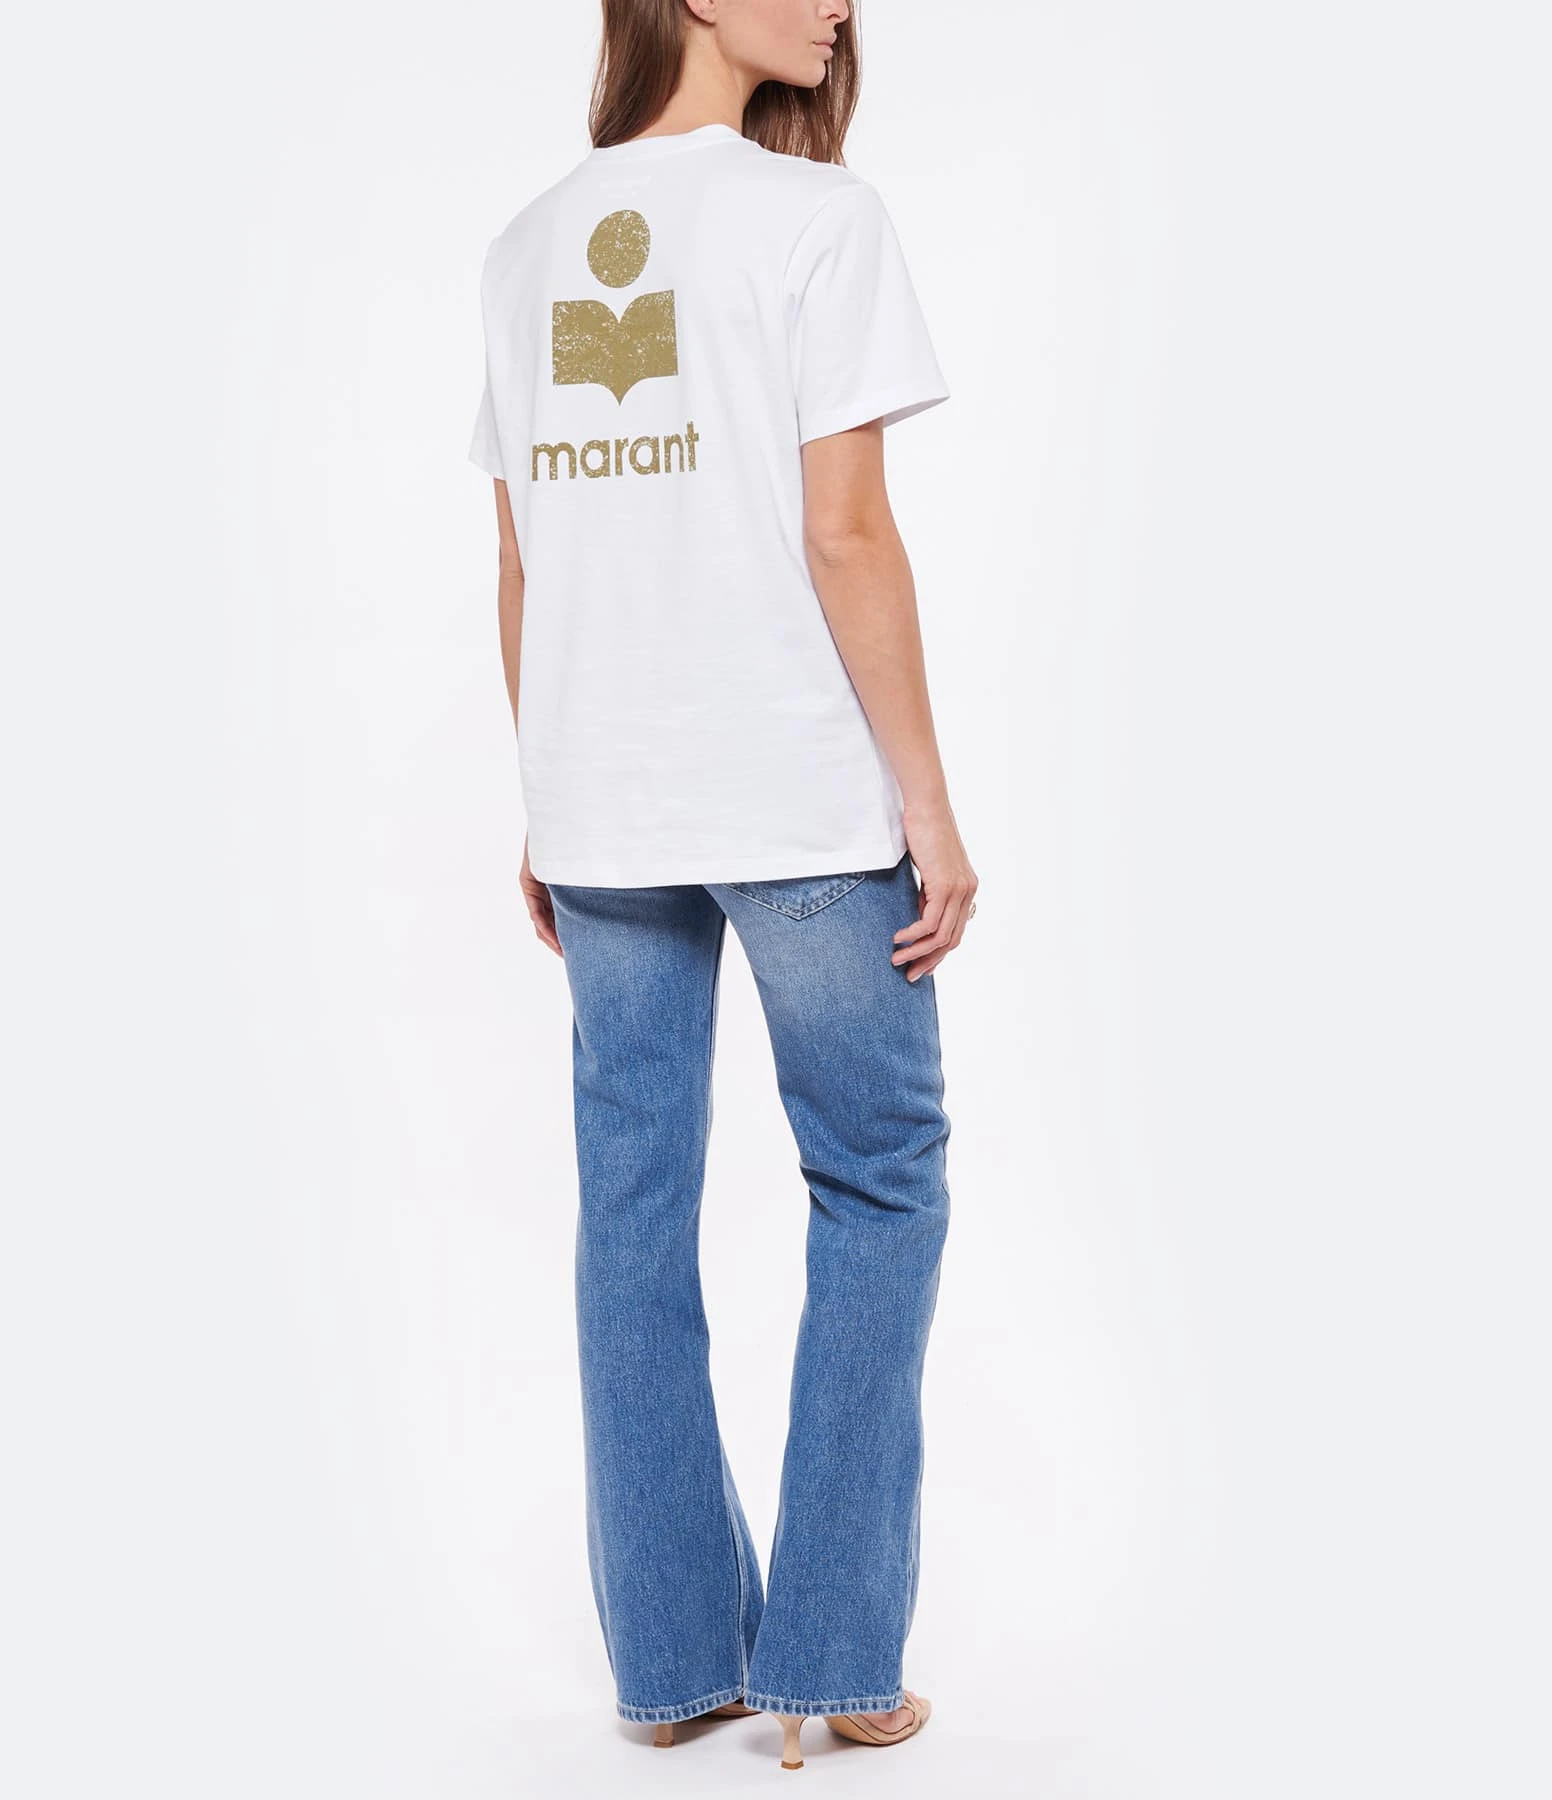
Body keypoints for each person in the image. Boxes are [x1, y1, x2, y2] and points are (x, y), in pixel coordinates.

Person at [468, 0, 978, 1771]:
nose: (841, 5)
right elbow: (847, 533)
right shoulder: (818, 221)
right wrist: (929, 806)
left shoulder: (529, 245)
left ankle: (679, 1665)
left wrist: (548, 796)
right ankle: (835, 1658)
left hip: (608, 811)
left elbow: (523, 558)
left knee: (630, 1210)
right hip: (797, 804)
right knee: (880, 1184)